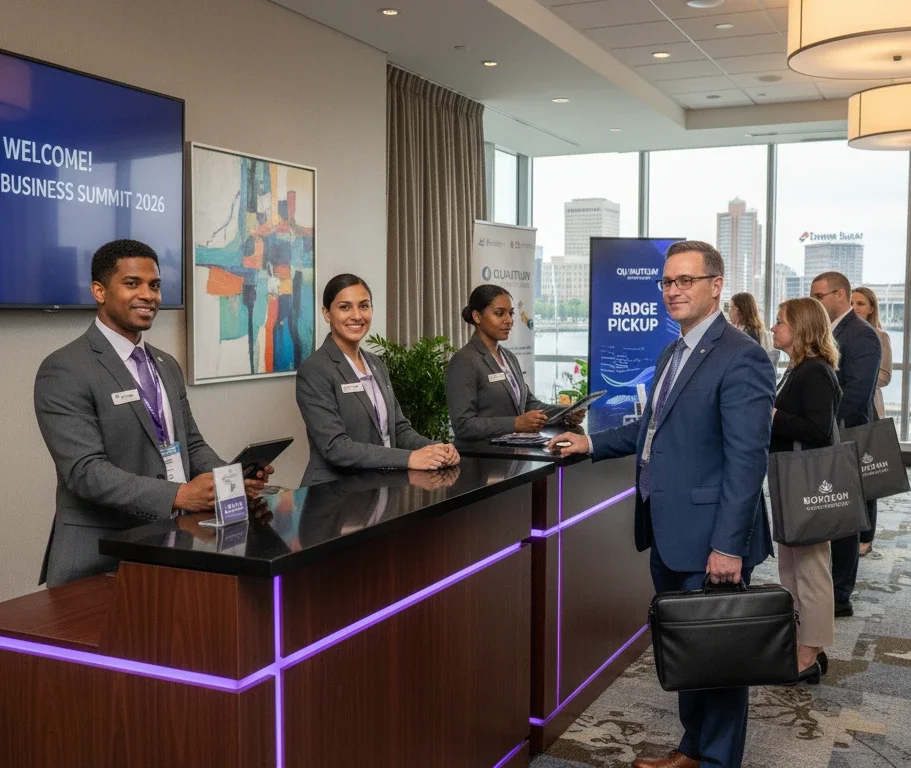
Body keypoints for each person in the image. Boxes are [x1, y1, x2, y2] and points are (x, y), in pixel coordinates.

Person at [555, 240, 775, 768]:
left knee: (718, 655)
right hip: (668, 527)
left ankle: (719, 760)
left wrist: (728, 546)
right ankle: (692, 748)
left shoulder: (741, 355)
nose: (673, 291)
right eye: (667, 282)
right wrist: (591, 443)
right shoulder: (674, 350)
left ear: (715, 286)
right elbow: (652, 430)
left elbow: (747, 461)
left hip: (711, 537)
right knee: (687, 646)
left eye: (685, 281)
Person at [34, 239, 272, 587]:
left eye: (155, 285)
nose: (148, 295)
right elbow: (86, 472)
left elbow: (191, 445)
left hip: (170, 543)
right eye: (133, 284)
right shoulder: (65, 369)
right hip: (98, 557)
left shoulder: (166, 364)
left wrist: (232, 478)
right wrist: (178, 495)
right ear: (99, 291)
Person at [296, 273, 459, 486]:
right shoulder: (315, 369)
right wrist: (409, 458)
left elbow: (399, 429)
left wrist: (437, 449)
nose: (356, 315)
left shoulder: (376, 363)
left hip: (378, 487)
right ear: (327, 314)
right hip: (335, 493)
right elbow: (336, 447)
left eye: (364, 306)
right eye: (345, 307)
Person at [769, 298, 843, 685]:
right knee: (792, 568)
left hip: (809, 484)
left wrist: (774, 416)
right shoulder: (798, 369)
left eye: (780, 322)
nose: (773, 328)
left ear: (800, 329)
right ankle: (805, 641)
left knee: (811, 570)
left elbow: (818, 430)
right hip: (790, 480)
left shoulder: (814, 371)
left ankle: (809, 653)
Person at [809, 271, 882, 618]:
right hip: (822, 438)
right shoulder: (824, 333)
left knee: (843, 522)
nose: (815, 302)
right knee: (824, 515)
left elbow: (856, 396)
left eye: (819, 296)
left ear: (840, 295)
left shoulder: (863, 336)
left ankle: (840, 594)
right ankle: (824, 586)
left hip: (844, 437)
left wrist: (822, 429)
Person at [446, 284, 579, 441]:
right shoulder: (464, 361)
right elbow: (463, 426)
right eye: (500, 313)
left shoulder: (509, 357)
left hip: (513, 457)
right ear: (477, 317)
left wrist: (565, 414)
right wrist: (515, 424)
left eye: (511, 313)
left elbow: (530, 405)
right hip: (482, 459)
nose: (509, 320)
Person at [851, 287, 892, 556]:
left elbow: (886, 375)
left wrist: (859, 381)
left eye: (861, 303)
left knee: (869, 476)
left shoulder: (880, 336)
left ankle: (867, 536)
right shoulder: (838, 334)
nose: (855, 307)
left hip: (870, 410)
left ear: (871, 308)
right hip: (845, 409)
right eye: (852, 302)